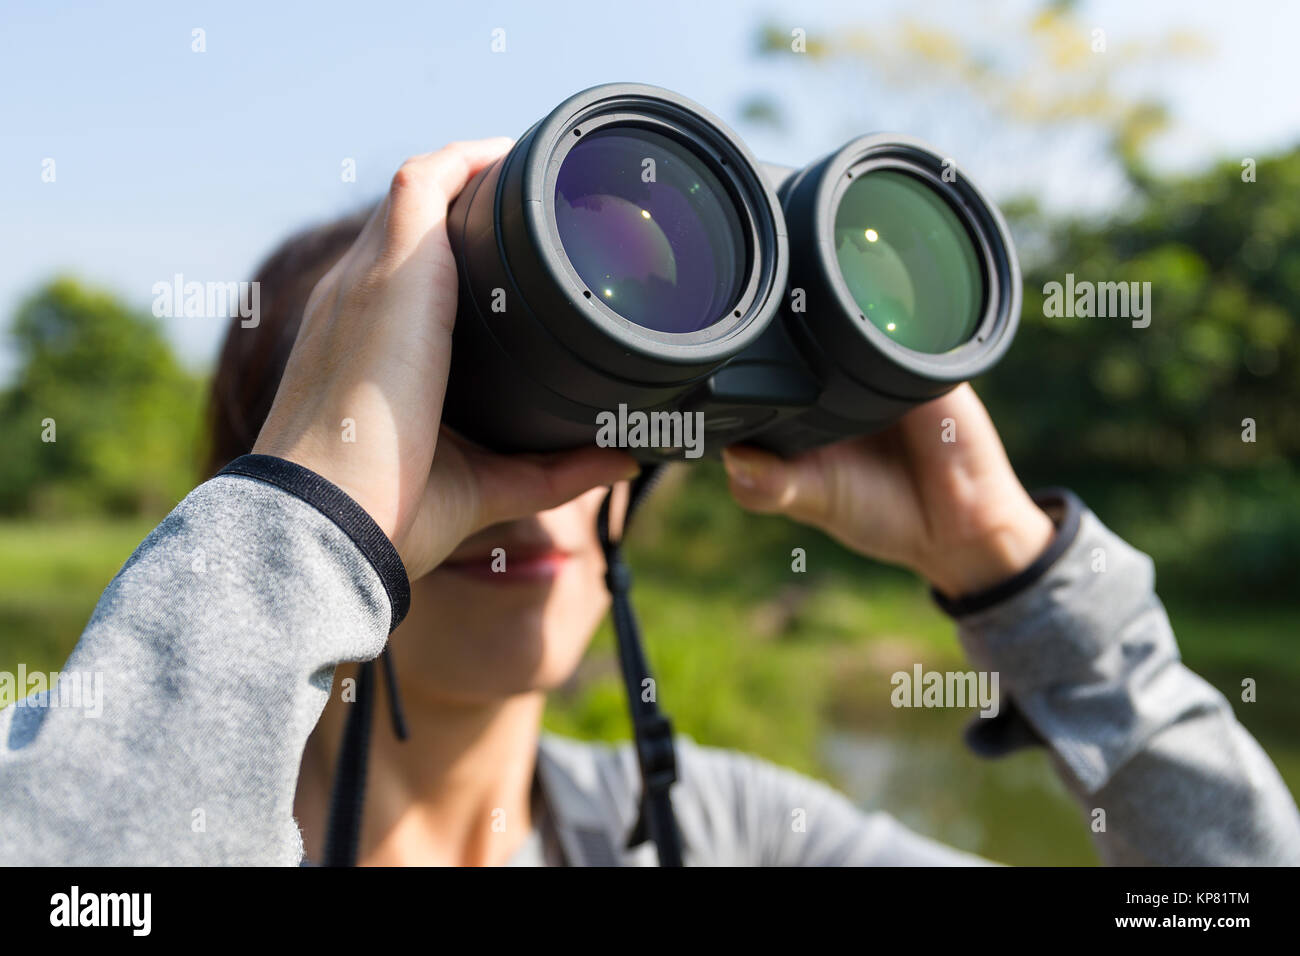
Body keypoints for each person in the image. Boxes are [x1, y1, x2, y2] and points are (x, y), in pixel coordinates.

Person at [2, 140, 1297, 866]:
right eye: (421, 413)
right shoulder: (97, 791)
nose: (526, 507)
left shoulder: (729, 839)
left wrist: (1021, 578)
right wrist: (303, 531)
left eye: (564, 403)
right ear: (275, 476)